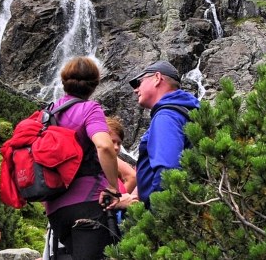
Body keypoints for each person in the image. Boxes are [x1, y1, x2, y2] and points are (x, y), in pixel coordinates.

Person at [43, 57, 122, 260]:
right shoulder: (90, 109)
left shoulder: (48, 112)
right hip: (87, 203)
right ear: (95, 84)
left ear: (64, 81)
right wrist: (113, 187)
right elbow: (104, 146)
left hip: (55, 209)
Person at [112, 61, 198, 209]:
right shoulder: (188, 111)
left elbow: (168, 171)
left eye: (138, 82)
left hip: (168, 213)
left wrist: (156, 214)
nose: (135, 89)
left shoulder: (166, 116)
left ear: (157, 78)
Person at [104, 117, 137, 195]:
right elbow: (132, 177)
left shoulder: (110, 159)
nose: (116, 147)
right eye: (112, 141)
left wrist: (118, 199)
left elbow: (132, 177)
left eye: (119, 144)